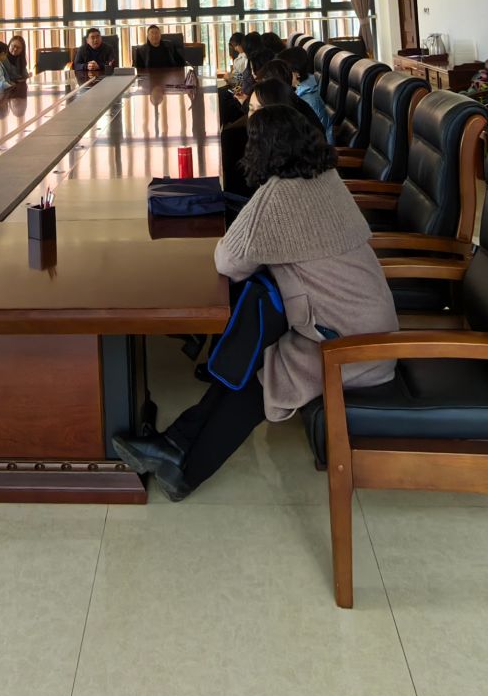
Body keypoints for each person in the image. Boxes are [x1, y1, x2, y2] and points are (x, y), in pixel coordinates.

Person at [110, 105, 398, 498]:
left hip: (351, 345)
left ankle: (185, 473)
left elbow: (228, 261)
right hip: (364, 321)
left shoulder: (278, 197)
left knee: (260, 378)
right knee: (250, 353)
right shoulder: (326, 178)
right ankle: (174, 445)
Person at [283, 47, 334, 141]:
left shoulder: (308, 100)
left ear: (296, 73)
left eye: (284, 71)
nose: (282, 74)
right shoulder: (299, 88)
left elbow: (312, 138)